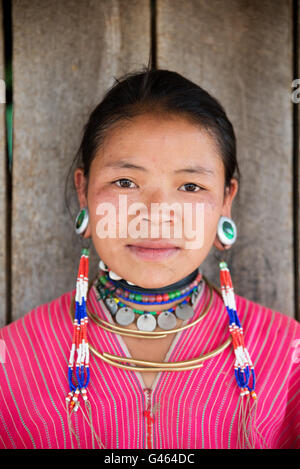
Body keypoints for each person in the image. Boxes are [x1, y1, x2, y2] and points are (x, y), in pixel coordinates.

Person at [0, 67, 299, 450]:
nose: (156, 214)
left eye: (191, 186)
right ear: (83, 191)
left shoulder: (288, 356)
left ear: (226, 201)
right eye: (125, 183)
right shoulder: (13, 361)